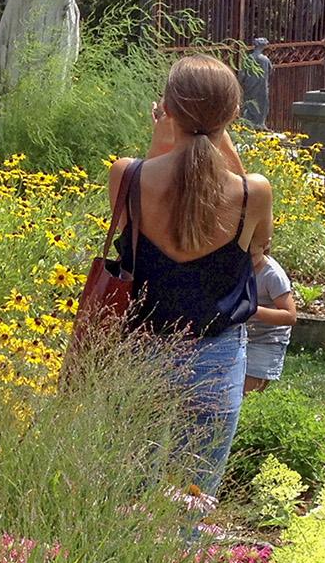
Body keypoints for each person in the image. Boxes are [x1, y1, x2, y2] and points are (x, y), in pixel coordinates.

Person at [107, 55, 274, 497]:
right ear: (234, 114)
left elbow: (137, 213)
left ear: (167, 107)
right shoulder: (252, 191)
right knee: (193, 499)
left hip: (141, 352)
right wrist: (220, 136)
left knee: (128, 490)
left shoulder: (127, 176)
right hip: (215, 355)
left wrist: (162, 136)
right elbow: (258, 252)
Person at [241, 255, 297, 394]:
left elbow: (290, 316)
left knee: (248, 394)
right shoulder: (235, 266)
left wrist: (252, 309)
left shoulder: (272, 275)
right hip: (239, 335)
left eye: (251, 254)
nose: (246, 258)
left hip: (267, 339)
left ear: (265, 244)